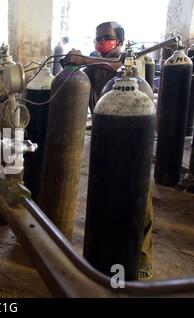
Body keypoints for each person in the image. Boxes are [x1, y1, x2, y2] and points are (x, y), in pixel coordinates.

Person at [63, 21, 154, 280]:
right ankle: (102, 252)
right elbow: (77, 77)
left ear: (120, 40)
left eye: (107, 37)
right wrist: (70, 64)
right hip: (106, 137)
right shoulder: (93, 64)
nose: (101, 42)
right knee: (105, 194)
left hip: (135, 140)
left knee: (138, 197)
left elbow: (121, 70)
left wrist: (85, 60)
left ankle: (143, 257)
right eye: (98, 38)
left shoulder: (131, 60)